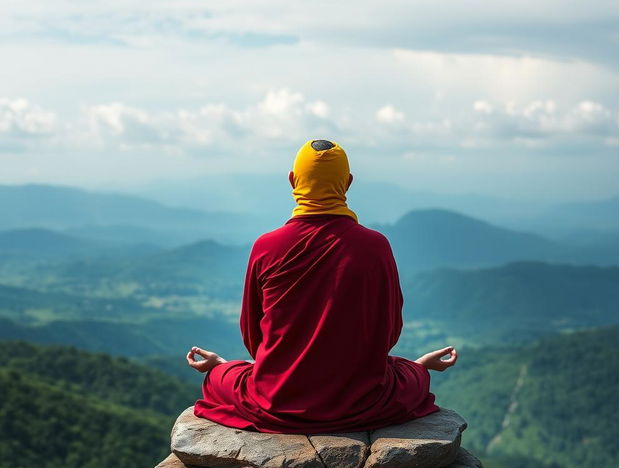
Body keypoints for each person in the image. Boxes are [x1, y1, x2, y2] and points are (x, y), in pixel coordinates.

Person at [186, 139, 457, 434]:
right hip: (363, 401)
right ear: (348, 183)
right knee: (412, 376)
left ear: (293, 181)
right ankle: (417, 369)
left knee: (218, 378)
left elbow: (254, 340)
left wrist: (222, 366)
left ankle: (223, 368)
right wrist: (418, 368)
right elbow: (389, 333)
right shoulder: (375, 246)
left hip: (276, 400)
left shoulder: (266, 247)